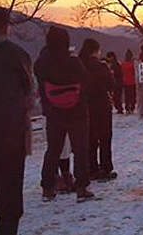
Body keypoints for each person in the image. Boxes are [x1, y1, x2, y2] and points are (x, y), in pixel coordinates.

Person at [35, 26, 94, 202]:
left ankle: (47, 188)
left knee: (53, 150)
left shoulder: (41, 63)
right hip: (77, 112)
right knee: (80, 150)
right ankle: (82, 188)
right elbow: (86, 81)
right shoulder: (73, 61)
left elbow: (40, 87)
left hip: (53, 113)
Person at [0, 7, 32, 235]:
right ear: (6, 26)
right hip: (10, 133)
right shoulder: (17, 55)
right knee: (9, 196)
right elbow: (29, 90)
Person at [79, 39, 117, 181]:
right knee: (105, 137)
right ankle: (105, 167)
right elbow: (111, 85)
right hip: (102, 105)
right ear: (96, 50)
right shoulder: (101, 66)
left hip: (85, 105)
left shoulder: (79, 64)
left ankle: (91, 168)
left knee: (90, 138)